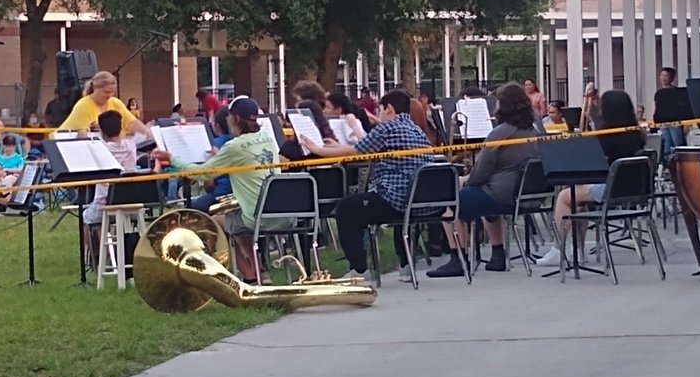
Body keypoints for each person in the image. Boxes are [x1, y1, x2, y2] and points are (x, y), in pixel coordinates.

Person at [303, 89, 434, 283]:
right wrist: (332, 147)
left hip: (394, 199)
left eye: (380, 109)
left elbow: (354, 153)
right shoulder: (415, 130)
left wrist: (317, 149)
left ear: (389, 109)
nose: (378, 114)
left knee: (346, 208)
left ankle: (359, 269)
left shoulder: (387, 128)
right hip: (418, 199)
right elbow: (364, 147)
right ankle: (406, 266)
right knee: (373, 208)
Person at [153, 97, 281, 284]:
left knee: (216, 222)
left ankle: (250, 277)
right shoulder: (268, 139)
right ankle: (260, 271)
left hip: (258, 215)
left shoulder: (234, 146)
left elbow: (201, 174)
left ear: (235, 119)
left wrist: (172, 158)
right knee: (235, 219)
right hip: (279, 210)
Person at [426, 82, 541, 278]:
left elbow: (480, 173)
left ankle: (458, 259)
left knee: (451, 204)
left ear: (504, 106)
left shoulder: (499, 134)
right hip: (527, 194)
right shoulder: (535, 130)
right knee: (483, 200)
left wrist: (465, 181)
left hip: (503, 195)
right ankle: (497, 256)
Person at [535, 90, 645, 268]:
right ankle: (578, 249)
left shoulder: (608, 137)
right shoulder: (636, 134)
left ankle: (558, 248)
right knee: (579, 197)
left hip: (612, 188)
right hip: (632, 187)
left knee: (565, 196)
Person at [81, 111, 140, 258]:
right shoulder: (130, 146)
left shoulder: (101, 149)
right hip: (131, 202)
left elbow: (85, 138)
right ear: (120, 128)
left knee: (86, 216)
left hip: (105, 205)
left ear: (102, 132)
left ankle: (99, 258)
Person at [56, 71, 150, 139]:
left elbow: (131, 122)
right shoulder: (83, 105)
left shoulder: (115, 103)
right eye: (106, 92)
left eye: (112, 92)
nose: (110, 96)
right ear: (95, 88)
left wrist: (147, 133)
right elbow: (82, 136)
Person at [187, 105, 234, 213]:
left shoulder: (212, 145)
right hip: (239, 195)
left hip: (220, 196)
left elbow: (209, 184)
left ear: (217, 126)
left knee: (190, 208)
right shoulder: (238, 141)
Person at [654, 67, 686, 160]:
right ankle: (668, 164)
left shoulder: (677, 92)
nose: (663, 78)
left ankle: (680, 162)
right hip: (662, 122)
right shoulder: (658, 93)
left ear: (671, 78)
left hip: (674, 122)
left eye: (666, 76)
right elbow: (657, 107)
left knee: (677, 143)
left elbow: (682, 108)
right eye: (662, 75)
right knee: (666, 146)